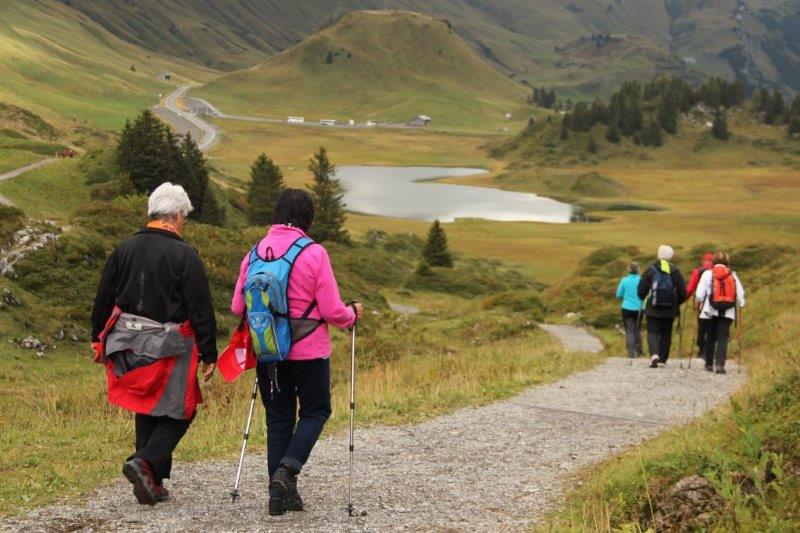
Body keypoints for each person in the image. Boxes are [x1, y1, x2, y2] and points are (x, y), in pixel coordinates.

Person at [231, 188, 364, 516]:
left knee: (278, 419)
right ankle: (287, 470)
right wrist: (352, 315)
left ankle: (277, 498)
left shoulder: (254, 253)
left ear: (277, 214)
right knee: (316, 411)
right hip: (309, 353)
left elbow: (237, 307)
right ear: (308, 218)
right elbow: (332, 310)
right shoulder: (315, 253)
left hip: (269, 352)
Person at [91, 183, 218, 505]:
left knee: (147, 403)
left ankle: (151, 483)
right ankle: (145, 462)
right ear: (177, 215)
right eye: (184, 217)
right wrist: (209, 351)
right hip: (169, 342)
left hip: (126, 340)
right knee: (181, 410)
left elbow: (104, 295)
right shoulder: (184, 254)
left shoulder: (124, 248)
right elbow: (199, 306)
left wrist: (97, 336)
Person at [694, 251, 745, 374]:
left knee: (710, 336)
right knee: (723, 337)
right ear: (727, 261)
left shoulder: (707, 274)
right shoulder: (733, 275)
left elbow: (699, 295)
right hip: (728, 312)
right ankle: (720, 364)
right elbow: (740, 296)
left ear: (714, 261)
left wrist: (698, 304)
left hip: (709, 311)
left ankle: (708, 364)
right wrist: (741, 305)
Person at [637, 245, 687, 368]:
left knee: (652, 332)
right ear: (671, 256)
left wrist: (643, 297)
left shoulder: (651, 270)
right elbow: (683, 292)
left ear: (658, 255)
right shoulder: (675, 271)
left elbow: (641, 290)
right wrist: (676, 302)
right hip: (670, 309)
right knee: (666, 333)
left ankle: (654, 355)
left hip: (653, 308)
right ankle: (663, 359)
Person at [686, 252, 714, 357]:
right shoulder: (717, 271)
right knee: (712, 327)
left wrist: (682, 299)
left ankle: (701, 349)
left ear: (702, 261)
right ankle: (709, 349)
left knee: (701, 327)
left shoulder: (697, 272)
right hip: (716, 305)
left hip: (701, 304)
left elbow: (690, 289)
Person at [616, 261, 643, 359]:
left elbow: (618, 294)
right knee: (637, 329)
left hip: (626, 308)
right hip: (639, 308)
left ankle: (631, 353)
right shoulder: (641, 280)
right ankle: (639, 351)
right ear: (638, 270)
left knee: (630, 330)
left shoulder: (624, 280)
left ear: (629, 270)